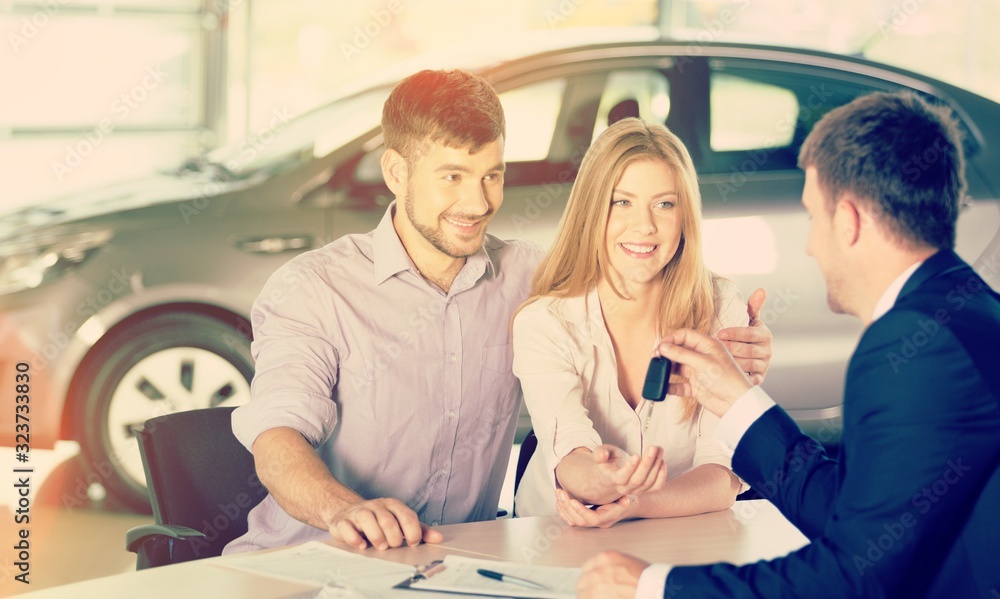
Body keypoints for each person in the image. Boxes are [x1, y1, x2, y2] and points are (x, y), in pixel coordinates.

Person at [224, 69, 773, 555]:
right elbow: (277, 438)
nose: (479, 202)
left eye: (492, 174)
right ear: (395, 172)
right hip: (311, 558)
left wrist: (745, 357)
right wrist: (342, 509)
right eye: (453, 176)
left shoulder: (534, 280)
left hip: (458, 562)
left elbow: (629, 276)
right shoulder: (315, 288)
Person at [577, 92, 1000, 598]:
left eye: (811, 218)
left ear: (849, 221)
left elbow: (854, 577)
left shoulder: (913, 345)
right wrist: (739, 401)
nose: (809, 244)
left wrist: (652, 585)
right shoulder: (967, 308)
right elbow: (851, 512)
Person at [512, 118, 758, 526]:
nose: (644, 226)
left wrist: (634, 502)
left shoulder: (720, 308)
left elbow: (723, 475)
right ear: (593, 211)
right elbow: (570, 453)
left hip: (680, 532)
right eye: (622, 202)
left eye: (664, 204)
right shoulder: (545, 321)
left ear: (685, 217)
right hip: (558, 534)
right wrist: (603, 479)